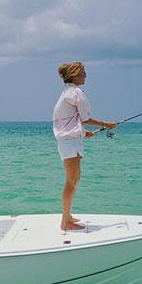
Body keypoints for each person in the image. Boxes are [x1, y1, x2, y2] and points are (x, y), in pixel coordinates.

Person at [52, 62, 116, 231]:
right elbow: (85, 118)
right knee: (71, 180)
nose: (86, 75)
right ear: (76, 75)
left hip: (70, 140)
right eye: (83, 73)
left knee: (75, 179)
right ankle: (65, 221)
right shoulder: (76, 93)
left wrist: (83, 132)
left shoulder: (67, 92)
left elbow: (70, 120)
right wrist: (106, 124)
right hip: (69, 142)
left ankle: (68, 216)